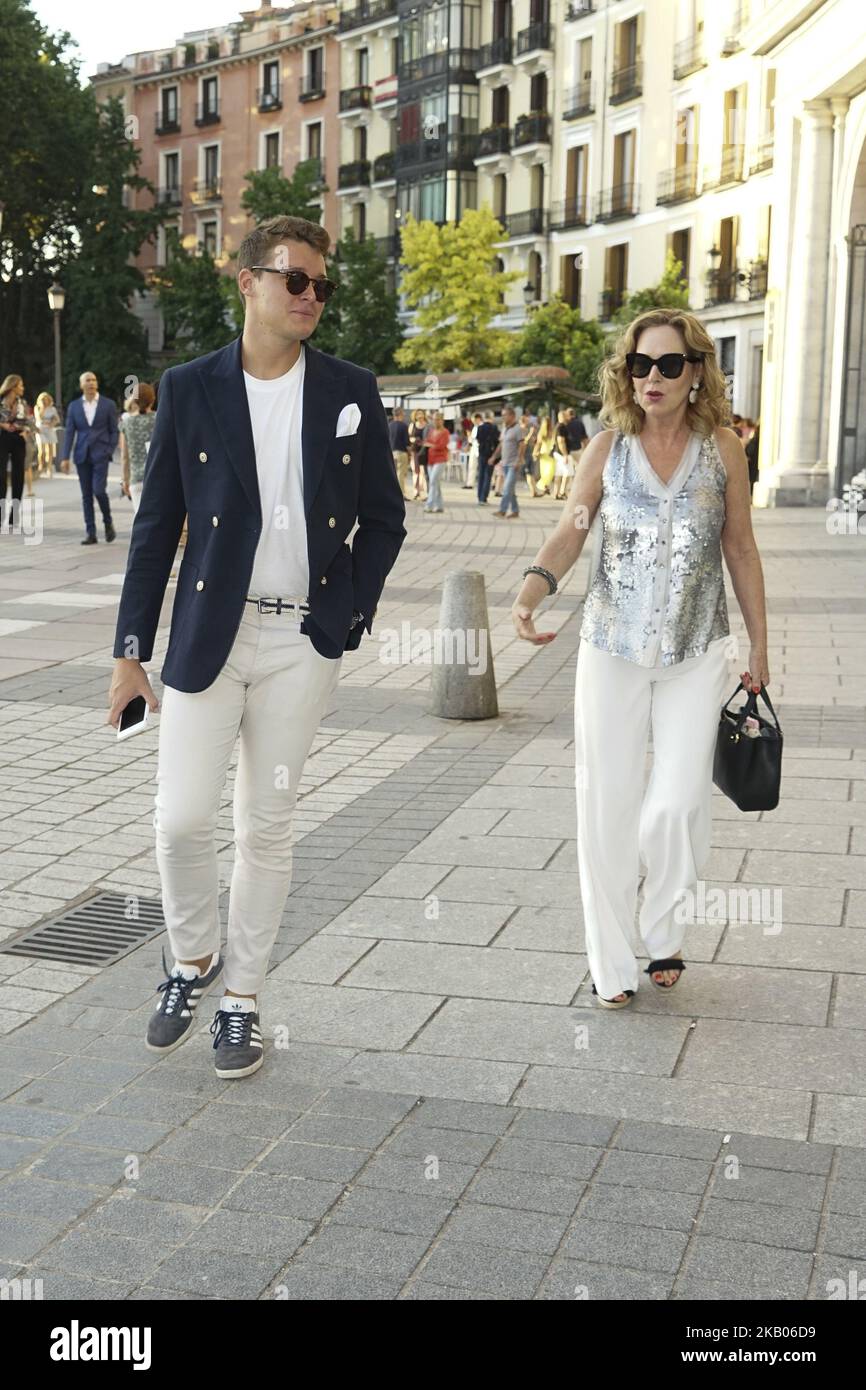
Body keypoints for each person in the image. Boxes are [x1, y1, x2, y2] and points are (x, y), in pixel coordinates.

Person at [107, 213, 406, 1078]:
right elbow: (156, 526)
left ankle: (241, 1000)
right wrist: (131, 648)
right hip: (210, 632)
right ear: (249, 282)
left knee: (266, 828)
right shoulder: (192, 386)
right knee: (180, 821)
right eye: (296, 280)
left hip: (299, 642)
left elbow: (384, 520)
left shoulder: (350, 389)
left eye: (323, 284)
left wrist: (347, 613)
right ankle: (191, 959)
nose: (312, 296)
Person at [511, 307, 769, 1006]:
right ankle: (612, 961)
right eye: (639, 364)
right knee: (607, 800)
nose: (651, 377)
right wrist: (533, 590)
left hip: (696, 649)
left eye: (668, 365)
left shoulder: (723, 449)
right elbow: (572, 529)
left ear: (695, 373)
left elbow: (740, 548)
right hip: (612, 648)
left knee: (678, 801)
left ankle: (663, 927)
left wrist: (761, 647)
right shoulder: (606, 447)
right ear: (626, 374)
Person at [60, 370, 118, 544]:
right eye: (87, 380)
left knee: (99, 491)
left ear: (97, 384)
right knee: (86, 496)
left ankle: (108, 523)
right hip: (82, 455)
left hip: (101, 454)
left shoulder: (108, 404)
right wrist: (65, 457)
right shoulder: (74, 406)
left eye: (94, 380)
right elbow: (70, 432)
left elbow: (114, 430)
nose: (91, 383)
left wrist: (109, 450)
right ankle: (91, 533)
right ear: (81, 385)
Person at [0, 374, 32, 530]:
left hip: (19, 440)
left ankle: (14, 517)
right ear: (12, 387)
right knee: (1, 477)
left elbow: (28, 422)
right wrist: (3, 425)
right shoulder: (0, 403)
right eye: (20, 385)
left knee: (18, 477)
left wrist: (26, 431)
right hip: (2, 439)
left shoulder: (23, 404)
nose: (23, 388)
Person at [119, 382, 157, 513]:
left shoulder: (126, 423)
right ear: (153, 399)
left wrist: (125, 479)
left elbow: (124, 456)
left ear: (134, 400)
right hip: (158, 477)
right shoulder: (160, 419)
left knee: (140, 520)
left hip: (136, 479)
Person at [489, 404, 523, 519]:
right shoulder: (504, 429)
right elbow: (501, 444)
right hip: (505, 463)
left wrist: (519, 460)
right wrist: (494, 457)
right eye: (502, 415)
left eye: (505, 415)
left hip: (513, 463)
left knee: (507, 488)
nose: (503, 417)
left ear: (512, 416)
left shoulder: (517, 429)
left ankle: (502, 510)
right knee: (510, 489)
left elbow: (522, 445)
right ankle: (515, 510)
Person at [423, 410, 450, 514]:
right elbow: (427, 442)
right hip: (431, 459)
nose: (435, 421)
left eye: (438, 419)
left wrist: (430, 445)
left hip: (440, 459)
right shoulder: (431, 431)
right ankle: (439, 506)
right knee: (436, 483)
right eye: (434, 419)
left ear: (442, 420)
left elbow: (442, 445)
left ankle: (429, 505)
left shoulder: (445, 432)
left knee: (433, 481)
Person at [475, 410, 499, 505]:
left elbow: (478, 439)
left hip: (481, 453)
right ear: (492, 417)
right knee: (487, 475)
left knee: (481, 475)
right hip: (491, 454)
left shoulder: (480, 428)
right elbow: (497, 441)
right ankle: (483, 498)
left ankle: (479, 496)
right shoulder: (494, 427)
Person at [34, 392, 61, 478]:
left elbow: (57, 419)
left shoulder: (52, 409)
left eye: (46, 399)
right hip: (40, 430)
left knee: (50, 450)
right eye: (43, 400)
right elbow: (39, 418)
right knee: (41, 450)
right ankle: (41, 465)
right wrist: (43, 408)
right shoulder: (37, 408)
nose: (45, 401)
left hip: (49, 429)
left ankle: (49, 468)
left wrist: (51, 424)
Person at [388, 406, 411, 499]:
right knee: (401, 474)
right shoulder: (404, 426)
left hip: (391, 452)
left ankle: (391, 493)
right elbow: (407, 443)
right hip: (401, 452)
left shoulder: (389, 425)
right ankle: (400, 494)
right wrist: (410, 454)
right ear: (400, 414)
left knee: (392, 474)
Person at [534, 412, 556, 495]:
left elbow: (538, 444)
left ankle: (545, 486)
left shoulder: (542, 433)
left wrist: (535, 452)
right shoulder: (553, 431)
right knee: (550, 471)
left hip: (544, 453)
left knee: (544, 471)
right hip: (551, 453)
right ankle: (545, 486)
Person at [408, 408, 428, 500]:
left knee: (423, 472)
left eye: (421, 414)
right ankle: (416, 492)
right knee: (416, 471)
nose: (420, 416)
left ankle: (425, 491)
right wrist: (414, 440)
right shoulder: (413, 425)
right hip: (415, 451)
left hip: (425, 451)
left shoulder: (427, 426)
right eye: (418, 414)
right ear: (415, 416)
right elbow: (409, 438)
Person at [553, 409, 571, 500]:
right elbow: (561, 441)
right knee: (567, 473)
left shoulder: (557, 426)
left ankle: (556, 492)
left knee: (559, 473)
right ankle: (562, 492)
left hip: (557, 453)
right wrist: (565, 454)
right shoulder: (561, 427)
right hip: (561, 454)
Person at [745, 418, 760, 499]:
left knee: (751, 478)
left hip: (753, 462)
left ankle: (751, 495)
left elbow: (749, 450)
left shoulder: (755, 440)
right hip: (756, 461)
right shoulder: (759, 440)